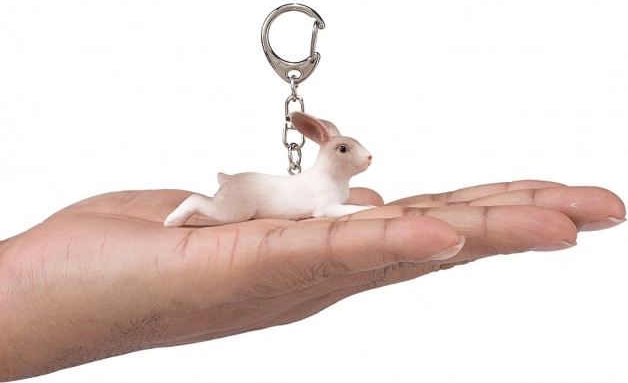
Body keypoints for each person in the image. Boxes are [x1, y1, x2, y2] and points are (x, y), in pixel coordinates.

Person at [0, 180, 624, 381]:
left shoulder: (322, 184)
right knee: (218, 210)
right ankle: (190, 210)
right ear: (331, 150)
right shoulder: (318, 184)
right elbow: (330, 211)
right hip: (248, 193)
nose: (362, 161)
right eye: (349, 153)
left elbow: (330, 206)